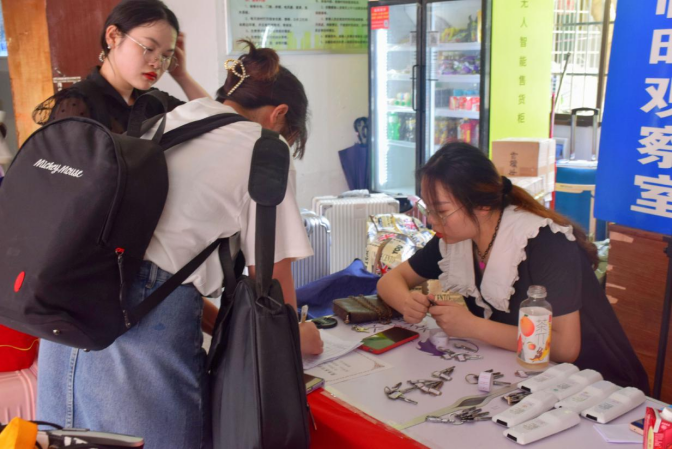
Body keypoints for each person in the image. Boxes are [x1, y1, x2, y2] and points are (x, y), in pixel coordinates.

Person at [37, 41, 323, 448]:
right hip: (140, 332)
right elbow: (271, 281)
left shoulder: (168, 120)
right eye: (288, 133)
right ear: (279, 114)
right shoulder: (265, 148)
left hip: (67, 316)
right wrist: (294, 338)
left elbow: (162, 267)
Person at [377, 142, 649, 393]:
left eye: (442, 211)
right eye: (428, 210)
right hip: (528, 375)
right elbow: (389, 281)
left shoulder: (544, 242)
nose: (432, 221)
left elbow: (566, 347)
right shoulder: (455, 239)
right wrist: (407, 303)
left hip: (599, 384)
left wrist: (473, 326)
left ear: (482, 205)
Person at [32, 0, 209, 133]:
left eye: (166, 56)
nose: (157, 63)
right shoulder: (77, 104)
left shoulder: (152, 101)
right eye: (148, 48)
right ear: (113, 36)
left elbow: (216, 120)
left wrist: (182, 76)